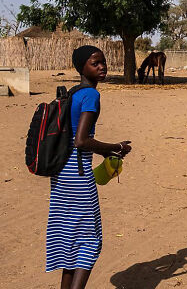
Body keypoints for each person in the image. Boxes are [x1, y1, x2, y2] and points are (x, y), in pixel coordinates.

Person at [46, 45, 132, 289]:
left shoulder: (73, 93)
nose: (102, 67)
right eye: (95, 63)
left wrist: (108, 150)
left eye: (103, 62)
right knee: (91, 242)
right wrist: (115, 146)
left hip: (61, 176)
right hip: (79, 177)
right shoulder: (91, 96)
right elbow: (81, 140)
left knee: (71, 242)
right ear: (82, 67)